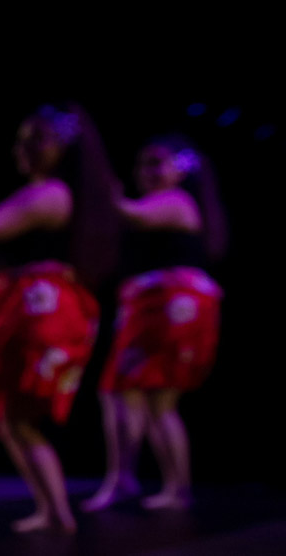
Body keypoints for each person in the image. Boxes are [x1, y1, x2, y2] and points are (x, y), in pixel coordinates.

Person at [0, 105, 118, 534]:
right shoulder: (61, 197)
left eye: (38, 139)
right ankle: (56, 513)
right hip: (50, 309)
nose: (24, 148)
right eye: (21, 139)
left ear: (63, 149)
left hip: (35, 308)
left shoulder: (49, 193)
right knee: (17, 418)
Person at [84, 136, 226, 511]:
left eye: (156, 163)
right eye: (142, 164)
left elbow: (131, 214)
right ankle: (138, 480)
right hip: (159, 306)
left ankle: (154, 484)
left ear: (181, 170)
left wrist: (108, 193)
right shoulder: (169, 204)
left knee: (147, 398)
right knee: (135, 396)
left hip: (170, 306)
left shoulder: (174, 201)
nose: (145, 172)